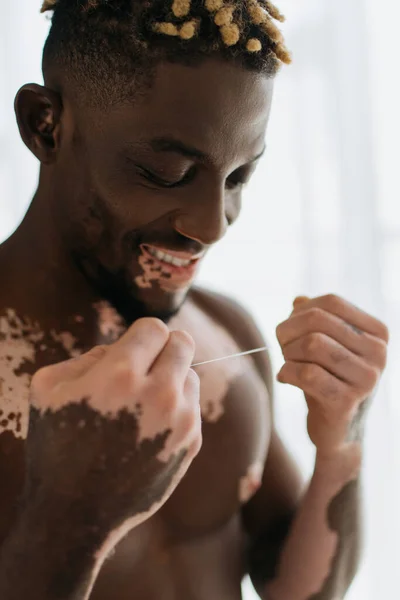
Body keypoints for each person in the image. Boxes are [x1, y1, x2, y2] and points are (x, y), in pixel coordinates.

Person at [0, 1, 389, 599]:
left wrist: (343, 446)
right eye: (168, 172)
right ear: (44, 124)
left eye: (238, 177)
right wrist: (72, 518)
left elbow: (296, 592)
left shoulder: (225, 329)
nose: (214, 226)